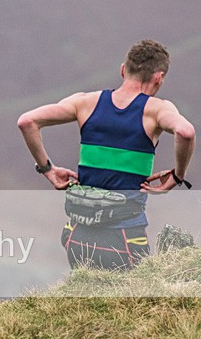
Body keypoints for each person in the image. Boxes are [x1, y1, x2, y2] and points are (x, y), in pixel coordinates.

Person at [17, 39, 195, 269]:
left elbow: (27, 121)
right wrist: (177, 175)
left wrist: (47, 170)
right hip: (126, 235)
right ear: (158, 78)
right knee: (130, 302)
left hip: (77, 233)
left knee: (86, 296)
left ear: (123, 70)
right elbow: (186, 132)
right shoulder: (157, 109)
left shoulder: (85, 102)